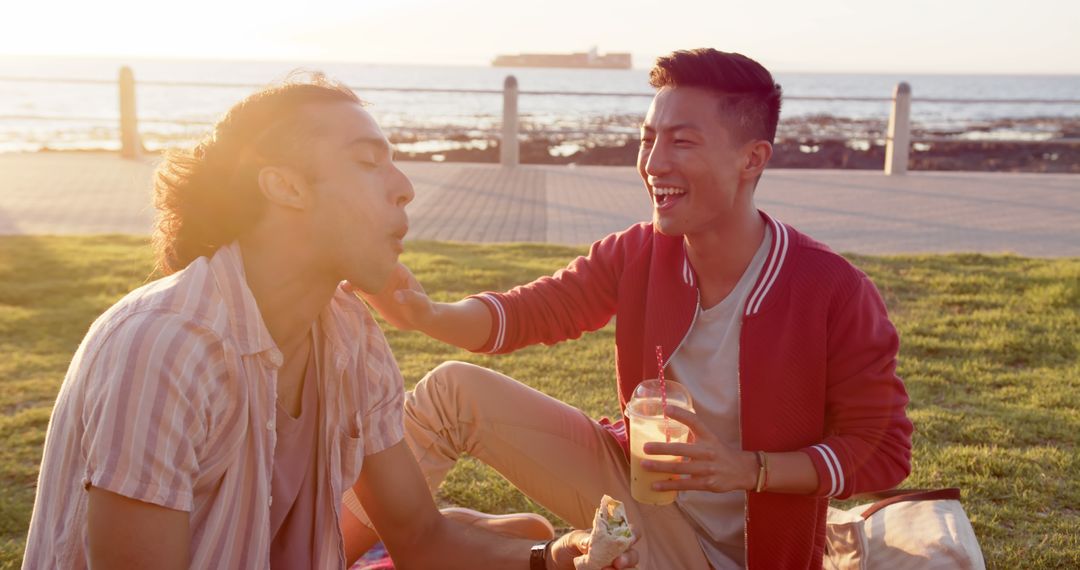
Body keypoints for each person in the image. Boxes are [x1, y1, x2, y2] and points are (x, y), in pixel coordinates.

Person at [21, 74, 637, 570]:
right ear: (284, 186)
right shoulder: (167, 346)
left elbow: (421, 537)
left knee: (526, 536)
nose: (405, 189)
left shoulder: (347, 333)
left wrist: (554, 557)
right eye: (370, 162)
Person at [357, 49, 914, 568]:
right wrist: (425, 314)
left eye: (682, 142)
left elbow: (884, 449)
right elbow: (534, 310)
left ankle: (499, 540)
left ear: (752, 159)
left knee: (471, 537)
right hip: (637, 496)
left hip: (742, 554)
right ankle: (316, 548)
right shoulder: (641, 252)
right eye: (649, 139)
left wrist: (748, 470)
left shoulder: (832, 288)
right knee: (453, 390)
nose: (653, 162)